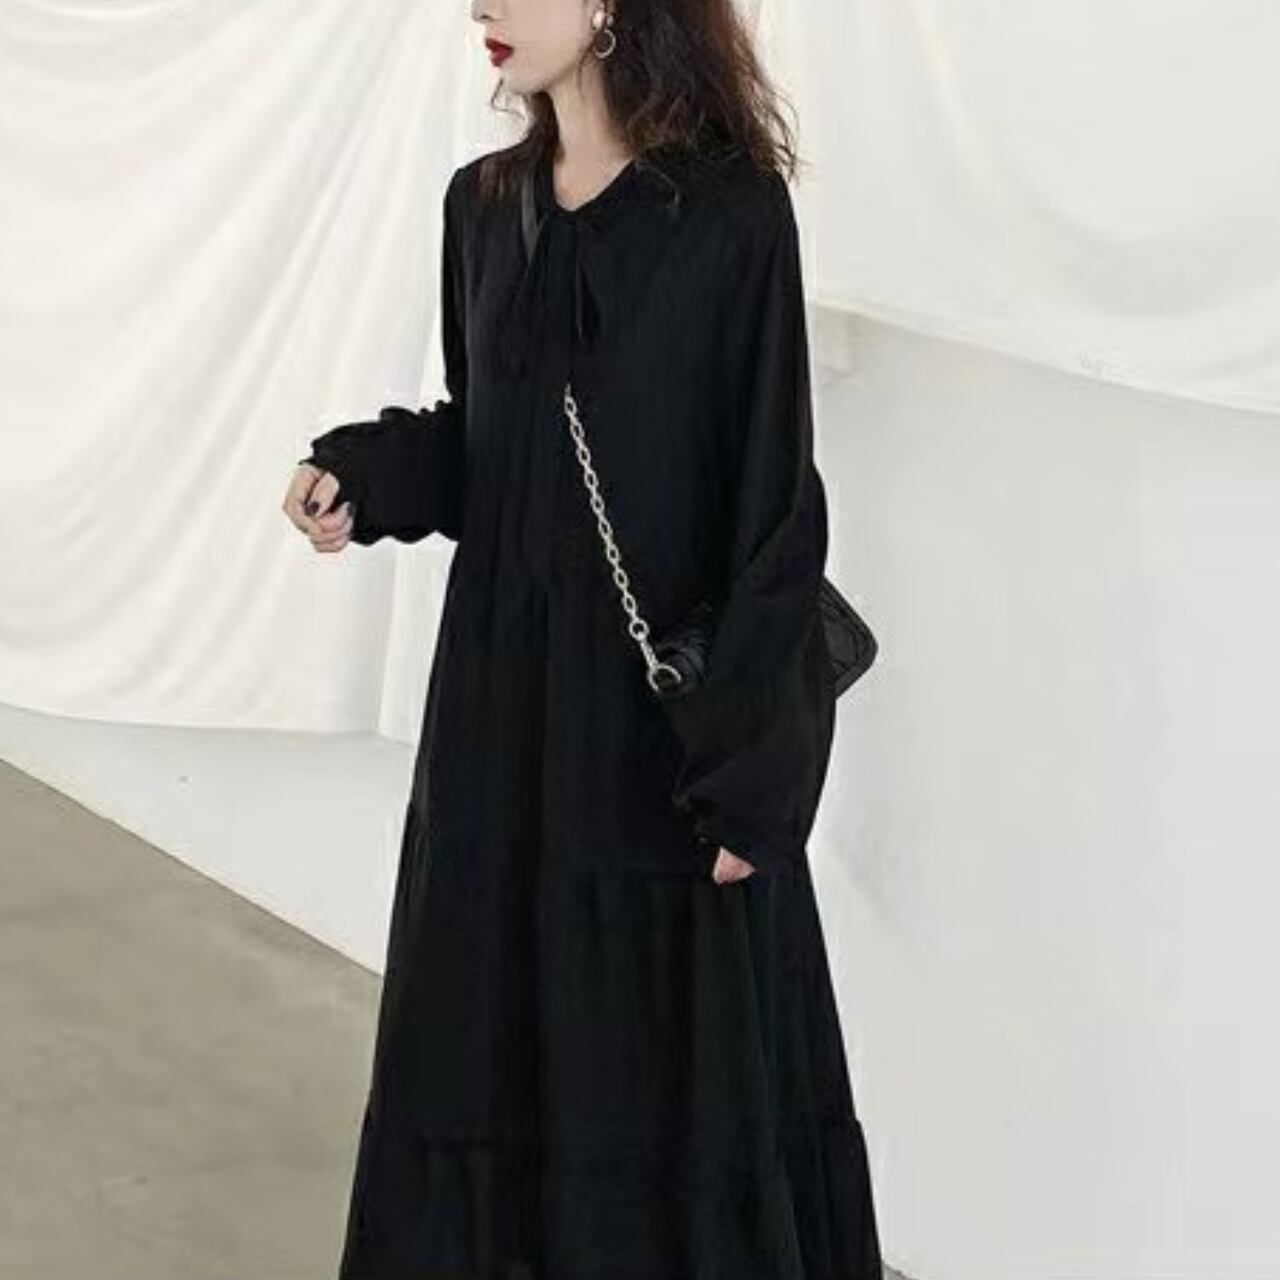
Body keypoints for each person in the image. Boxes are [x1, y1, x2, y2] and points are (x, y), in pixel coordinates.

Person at [282, 0, 883, 1275]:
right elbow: (494, 446)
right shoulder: (482, 206)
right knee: (489, 1043)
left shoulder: (727, 215)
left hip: (652, 741)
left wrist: (752, 782)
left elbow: (772, 510)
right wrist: (368, 474)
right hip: (499, 721)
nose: (483, 8)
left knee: (654, 1067)